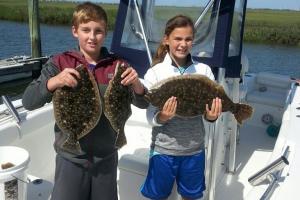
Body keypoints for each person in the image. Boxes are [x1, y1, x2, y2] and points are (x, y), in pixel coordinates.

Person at [22, 2, 148, 200]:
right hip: (70, 158)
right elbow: (29, 101)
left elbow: (143, 103)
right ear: (75, 31)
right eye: (85, 30)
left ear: (105, 33)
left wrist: (138, 86)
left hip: (106, 157)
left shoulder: (118, 66)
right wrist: (54, 82)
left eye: (98, 31)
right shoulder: (60, 63)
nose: (92, 36)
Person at [141, 15, 222, 200]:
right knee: (156, 196)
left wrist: (212, 116)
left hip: (194, 150)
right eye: (177, 39)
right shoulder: (155, 72)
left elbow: (210, 113)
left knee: (191, 197)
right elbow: (150, 116)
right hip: (163, 150)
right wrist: (162, 116)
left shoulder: (204, 71)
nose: (183, 44)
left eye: (188, 39)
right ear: (166, 39)